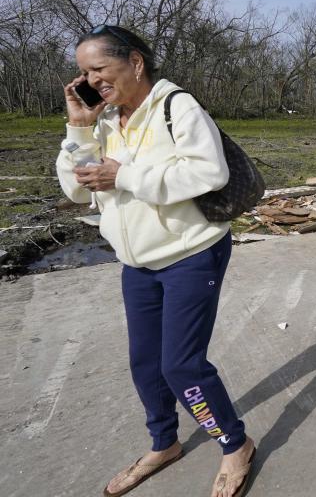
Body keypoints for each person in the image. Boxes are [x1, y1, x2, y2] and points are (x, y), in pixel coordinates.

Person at [56, 25, 256, 497]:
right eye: (83, 73)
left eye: (99, 69)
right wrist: (80, 127)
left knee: (181, 366)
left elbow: (210, 171)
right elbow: (74, 187)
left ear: (136, 63)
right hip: (137, 261)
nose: (91, 81)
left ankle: (234, 443)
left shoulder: (175, 105)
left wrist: (124, 176)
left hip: (191, 253)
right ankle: (164, 443)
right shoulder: (103, 119)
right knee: (146, 363)